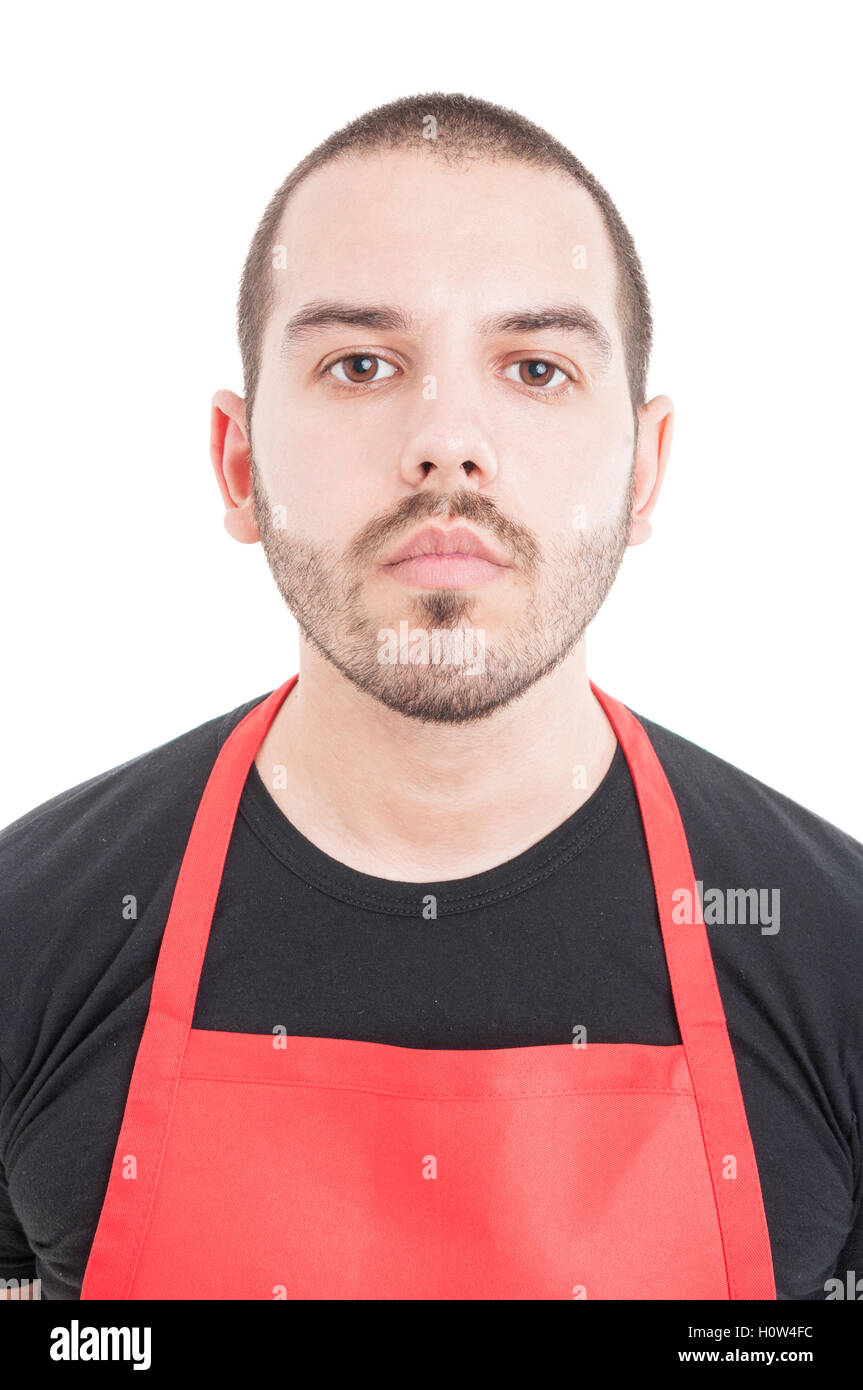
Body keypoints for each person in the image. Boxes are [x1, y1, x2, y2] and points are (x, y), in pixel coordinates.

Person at [1, 92, 860, 1301]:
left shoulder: (837, 960)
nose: (448, 442)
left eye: (534, 367)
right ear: (239, 466)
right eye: (360, 363)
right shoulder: (25, 941)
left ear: (642, 471)